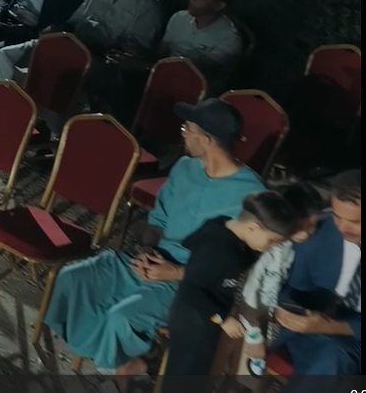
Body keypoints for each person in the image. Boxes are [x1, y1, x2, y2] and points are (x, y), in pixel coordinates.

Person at [43, 97, 264, 374]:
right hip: (153, 259)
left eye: (187, 128)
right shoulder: (185, 167)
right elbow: (158, 219)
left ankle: (123, 367)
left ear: (207, 140)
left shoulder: (251, 194)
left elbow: (237, 266)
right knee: (72, 278)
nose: (183, 133)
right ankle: (116, 356)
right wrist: (146, 249)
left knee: (121, 318)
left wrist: (175, 272)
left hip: (190, 281)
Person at [162, 184, 323, 380]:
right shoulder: (225, 249)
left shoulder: (238, 240)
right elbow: (194, 289)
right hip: (203, 320)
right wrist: (224, 319)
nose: (271, 247)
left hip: (214, 319)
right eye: (272, 241)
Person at [0, 0, 164, 96]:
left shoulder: (147, 5)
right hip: (68, 43)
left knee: (35, 75)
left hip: (97, 60)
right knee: (5, 55)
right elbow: (74, 21)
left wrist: (101, 46)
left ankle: (22, 113)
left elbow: (135, 49)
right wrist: (57, 29)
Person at [243, 170, 362, 383]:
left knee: (335, 356)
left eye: (355, 221)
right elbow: (290, 286)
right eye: (337, 216)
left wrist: (330, 326)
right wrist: (290, 310)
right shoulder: (317, 230)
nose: (342, 227)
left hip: (351, 337)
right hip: (308, 329)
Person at [108, 0, 245, 100]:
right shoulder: (179, 18)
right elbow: (162, 54)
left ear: (219, 5)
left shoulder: (229, 38)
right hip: (162, 74)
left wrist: (143, 66)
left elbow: (194, 73)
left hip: (196, 90)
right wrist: (138, 53)